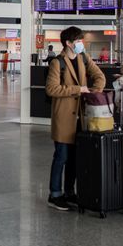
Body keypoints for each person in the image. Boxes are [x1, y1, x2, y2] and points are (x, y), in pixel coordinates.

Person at [44, 26, 106, 211]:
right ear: (69, 43)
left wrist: (95, 90)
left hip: (81, 116)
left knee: (75, 158)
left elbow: (99, 76)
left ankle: (70, 192)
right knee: (61, 156)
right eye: (78, 41)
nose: (81, 44)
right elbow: (52, 89)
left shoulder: (83, 58)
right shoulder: (58, 62)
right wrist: (79, 89)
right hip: (64, 117)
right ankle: (55, 194)